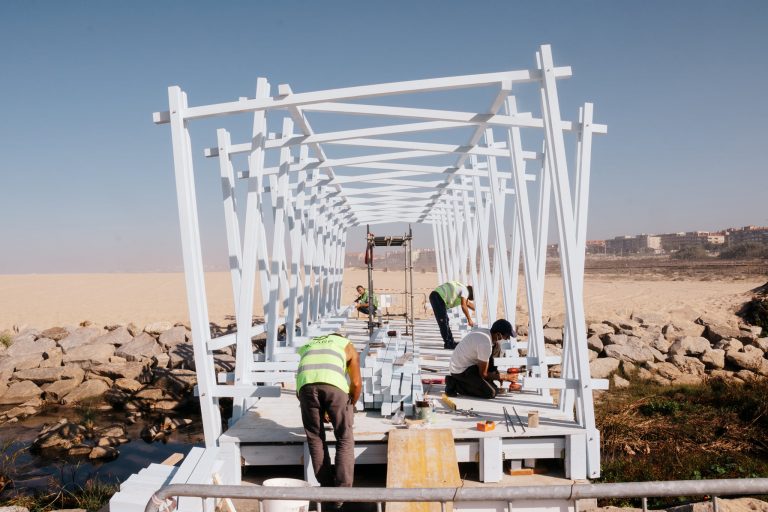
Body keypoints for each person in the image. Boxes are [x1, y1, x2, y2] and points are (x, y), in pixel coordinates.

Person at [296, 333, 362, 500]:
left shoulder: (310, 344)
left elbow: (312, 378)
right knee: (344, 437)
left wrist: (323, 409)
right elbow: (355, 384)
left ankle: (326, 489)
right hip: (334, 386)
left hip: (304, 386)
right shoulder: (347, 344)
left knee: (315, 438)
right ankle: (341, 495)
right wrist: (349, 406)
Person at [445, 319, 516, 399]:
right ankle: (454, 384)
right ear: (498, 334)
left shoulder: (486, 332)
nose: (507, 339)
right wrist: (503, 377)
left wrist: (495, 374)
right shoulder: (485, 344)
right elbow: (484, 374)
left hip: (467, 364)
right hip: (460, 371)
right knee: (491, 392)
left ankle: (486, 382)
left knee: (497, 346)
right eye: (506, 336)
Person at [429, 281, 475, 349]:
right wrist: (469, 319)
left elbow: (468, 304)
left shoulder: (461, 290)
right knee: (443, 322)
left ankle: (451, 342)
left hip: (437, 296)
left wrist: (478, 310)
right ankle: (448, 343)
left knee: (445, 321)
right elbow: (464, 305)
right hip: (437, 297)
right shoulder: (465, 291)